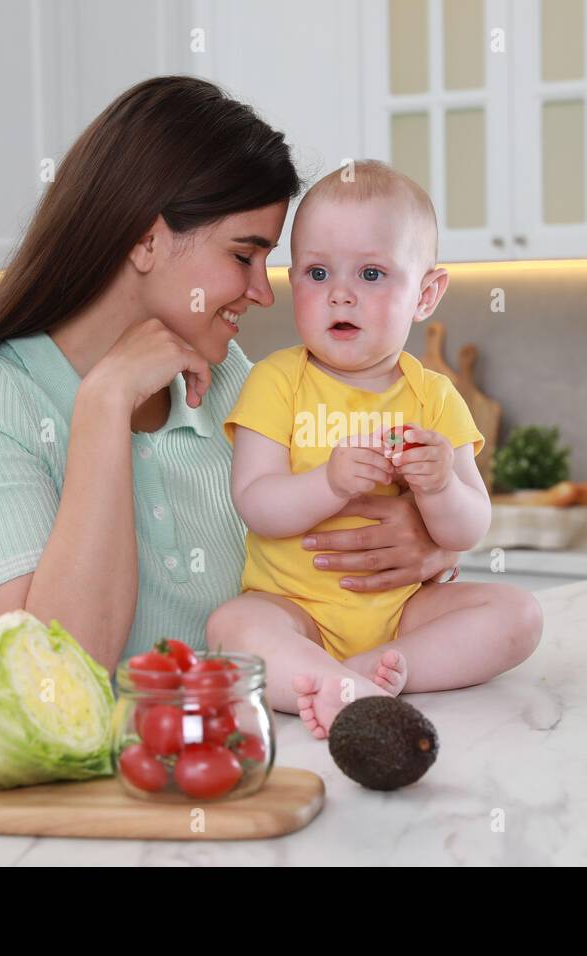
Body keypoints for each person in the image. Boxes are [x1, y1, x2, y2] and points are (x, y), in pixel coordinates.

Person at [0, 77, 464, 678]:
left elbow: (319, 553)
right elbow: (56, 676)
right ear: (146, 239)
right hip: (114, 770)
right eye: (244, 256)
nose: (260, 292)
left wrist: (431, 545)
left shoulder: (228, 379)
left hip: (270, 749)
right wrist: (105, 403)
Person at [210, 161, 543, 737]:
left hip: (405, 612)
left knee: (520, 616)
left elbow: (468, 530)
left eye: (371, 273)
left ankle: (375, 672)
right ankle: (329, 675)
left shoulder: (435, 396)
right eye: (317, 273)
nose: (340, 294)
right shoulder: (275, 380)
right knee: (232, 626)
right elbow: (256, 502)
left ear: (427, 294)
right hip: (296, 607)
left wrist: (439, 486)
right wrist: (330, 483)